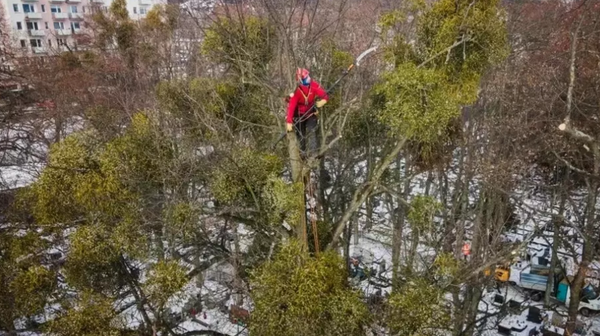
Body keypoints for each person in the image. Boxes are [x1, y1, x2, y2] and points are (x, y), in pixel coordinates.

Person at [286, 68, 329, 156]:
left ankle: (314, 152)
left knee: (311, 131)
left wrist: (324, 100)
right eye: (306, 77)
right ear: (301, 80)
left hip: (310, 113)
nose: (309, 78)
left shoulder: (313, 85)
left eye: (308, 76)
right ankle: (303, 154)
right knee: (301, 135)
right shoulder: (296, 91)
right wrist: (289, 122)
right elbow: (291, 107)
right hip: (298, 116)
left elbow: (323, 93)